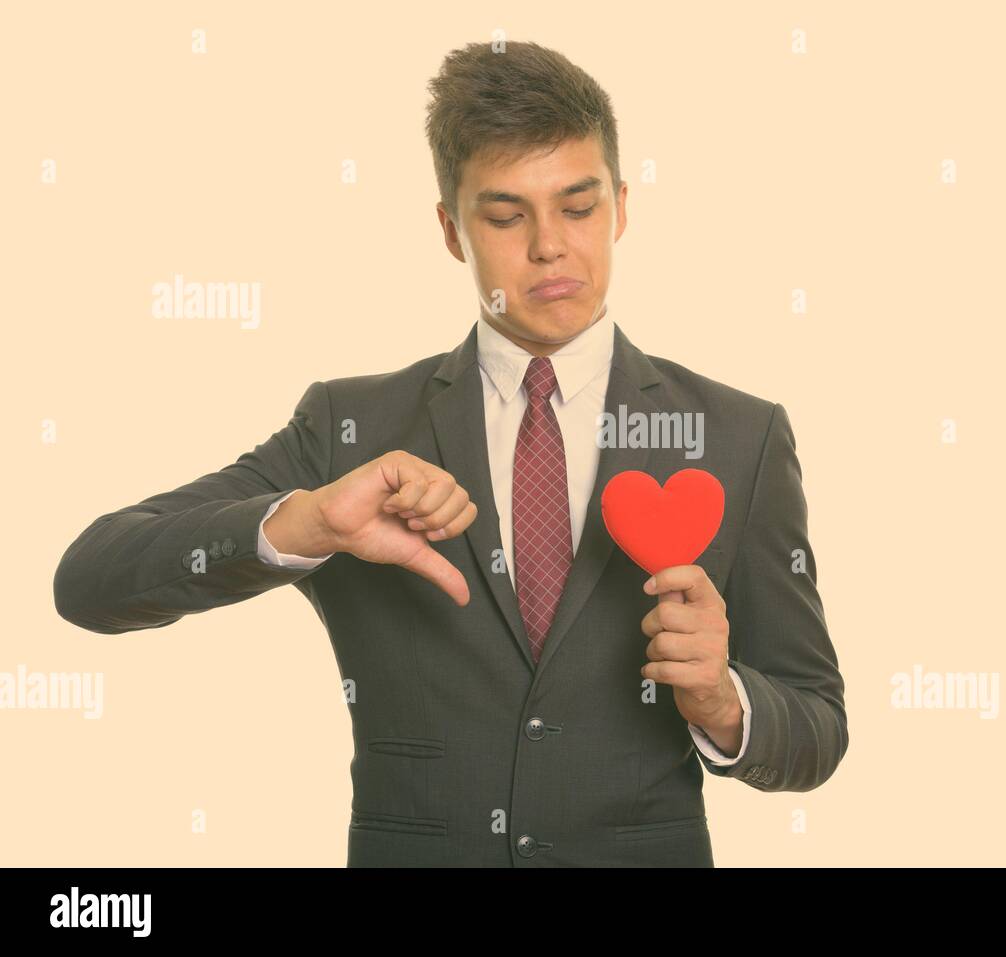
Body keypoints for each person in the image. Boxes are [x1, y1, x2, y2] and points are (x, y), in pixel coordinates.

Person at [53, 39, 847, 867]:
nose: (547, 247)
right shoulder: (349, 427)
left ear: (620, 206)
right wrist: (307, 523)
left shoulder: (738, 436)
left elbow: (819, 728)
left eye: (577, 208)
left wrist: (726, 702)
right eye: (505, 217)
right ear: (449, 228)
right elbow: (89, 581)